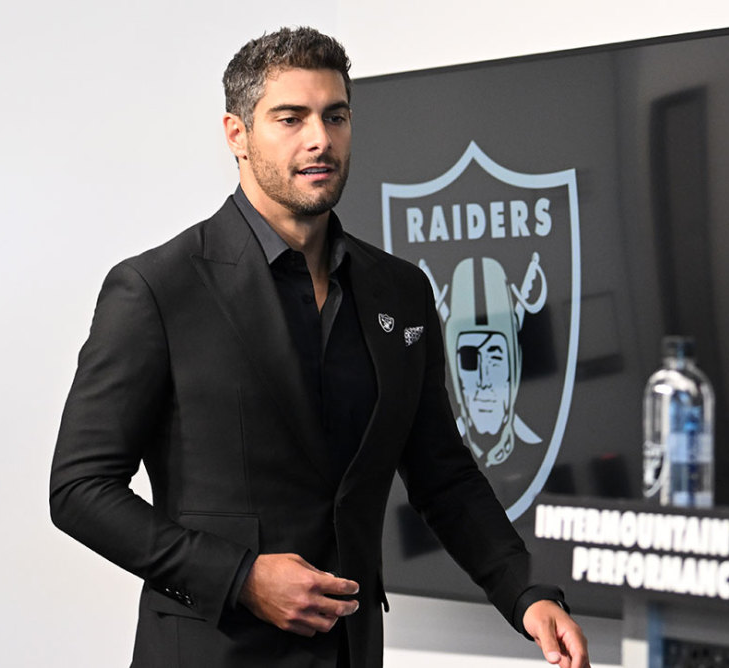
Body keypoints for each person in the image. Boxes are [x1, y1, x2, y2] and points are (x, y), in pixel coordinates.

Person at [49, 26, 590, 668]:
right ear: (236, 135)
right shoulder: (156, 288)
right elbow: (80, 489)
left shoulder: (401, 289)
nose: (320, 139)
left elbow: (442, 473)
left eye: (335, 116)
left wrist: (523, 592)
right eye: (291, 118)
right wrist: (240, 577)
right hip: (210, 652)